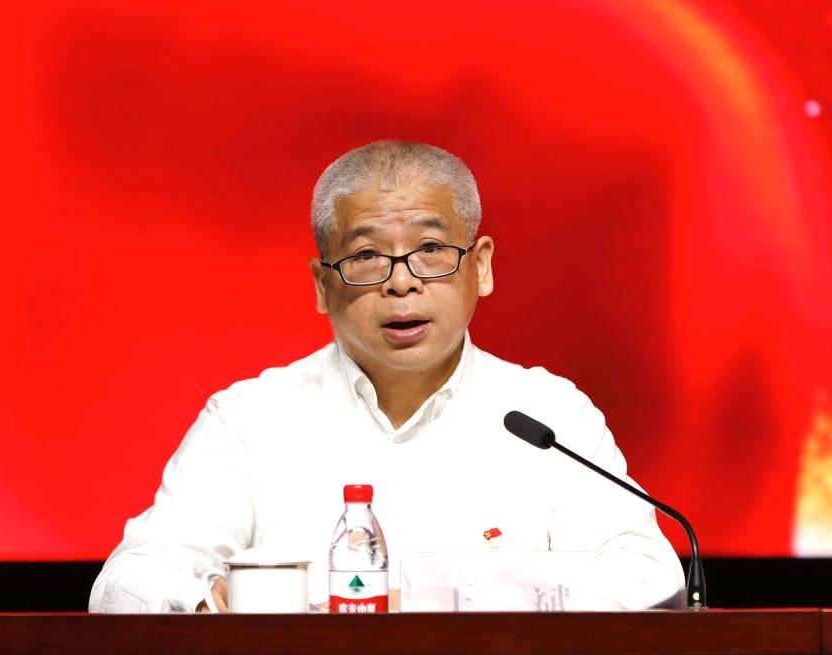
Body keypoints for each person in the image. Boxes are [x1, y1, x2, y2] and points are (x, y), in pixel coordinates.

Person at [89, 140, 684, 613]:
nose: (402, 282)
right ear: (322, 285)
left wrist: (443, 599)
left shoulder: (547, 416)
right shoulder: (249, 419)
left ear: (480, 267)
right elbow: (126, 580)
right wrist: (199, 606)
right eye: (367, 256)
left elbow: (649, 578)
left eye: (430, 249)